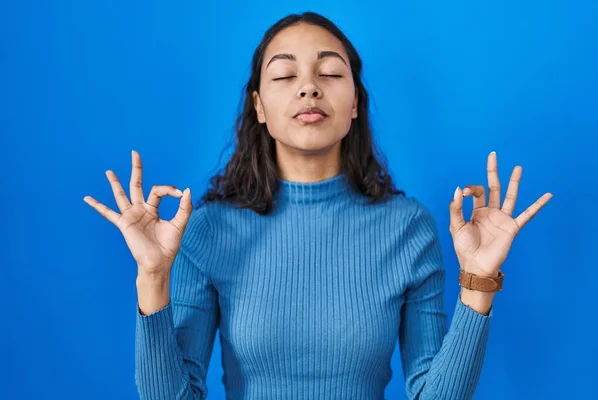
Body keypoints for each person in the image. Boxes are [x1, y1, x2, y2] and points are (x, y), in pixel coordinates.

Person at [83, 11, 553, 400]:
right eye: (286, 75)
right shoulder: (209, 230)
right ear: (260, 107)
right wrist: (152, 278)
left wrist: (478, 284)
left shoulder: (409, 228)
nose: (309, 87)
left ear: (354, 104)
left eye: (330, 73)